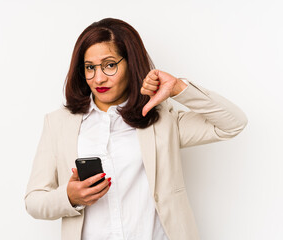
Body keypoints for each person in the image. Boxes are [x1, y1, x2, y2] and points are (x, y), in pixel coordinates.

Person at [24, 18, 248, 240]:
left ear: (130, 63)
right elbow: (34, 200)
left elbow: (233, 123)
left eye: (110, 65)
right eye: (90, 67)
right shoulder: (59, 123)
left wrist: (178, 87)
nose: (98, 78)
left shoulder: (160, 120)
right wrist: (70, 196)